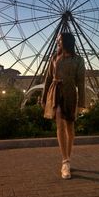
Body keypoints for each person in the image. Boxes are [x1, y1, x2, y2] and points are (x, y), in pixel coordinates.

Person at [41, 32, 85, 179]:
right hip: (55, 92)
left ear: (66, 41)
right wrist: (43, 97)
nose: (57, 42)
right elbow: (48, 78)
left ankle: (68, 158)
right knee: (59, 124)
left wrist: (81, 103)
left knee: (69, 127)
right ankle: (65, 161)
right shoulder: (54, 58)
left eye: (59, 40)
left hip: (70, 93)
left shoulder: (78, 60)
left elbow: (81, 83)